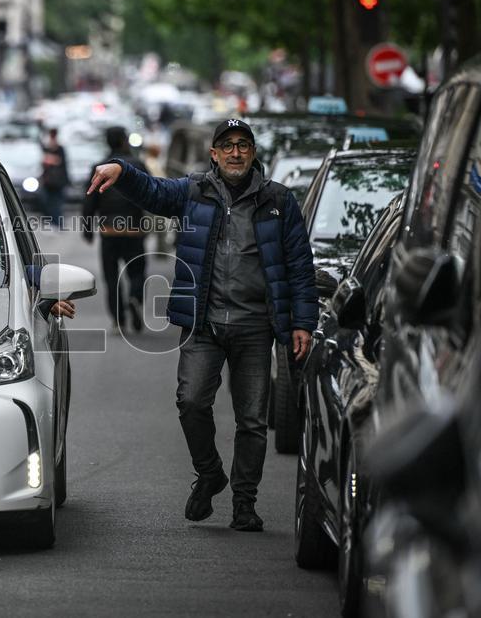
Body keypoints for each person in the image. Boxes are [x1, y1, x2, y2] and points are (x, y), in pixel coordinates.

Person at [86, 118, 317, 532]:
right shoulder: (194, 191)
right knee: (191, 402)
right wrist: (121, 169)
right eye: (226, 145)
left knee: (251, 421)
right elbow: (153, 192)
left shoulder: (279, 201)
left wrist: (302, 321)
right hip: (204, 323)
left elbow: (300, 266)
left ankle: (244, 504)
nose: (235, 152)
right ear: (214, 153)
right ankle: (209, 473)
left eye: (242, 145)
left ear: (252, 153)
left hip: (254, 327)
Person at [82, 126, 147, 335]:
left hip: (108, 231)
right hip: (133, 229)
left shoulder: (99, 167)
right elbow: (153, 191)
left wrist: (87, 229)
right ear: (124, 141)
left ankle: (119, 321)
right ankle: (135, 298)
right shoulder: (138, 165)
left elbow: (90, 199)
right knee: (136, 272)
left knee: (112, 278)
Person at [40, 128, 69, 227]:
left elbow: (59, 161)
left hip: (57, 182)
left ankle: (57, 224)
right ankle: (52, 223)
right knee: (49, 203)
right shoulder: (48, 146)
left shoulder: (59, 147)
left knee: (56, 204)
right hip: (49, 182)